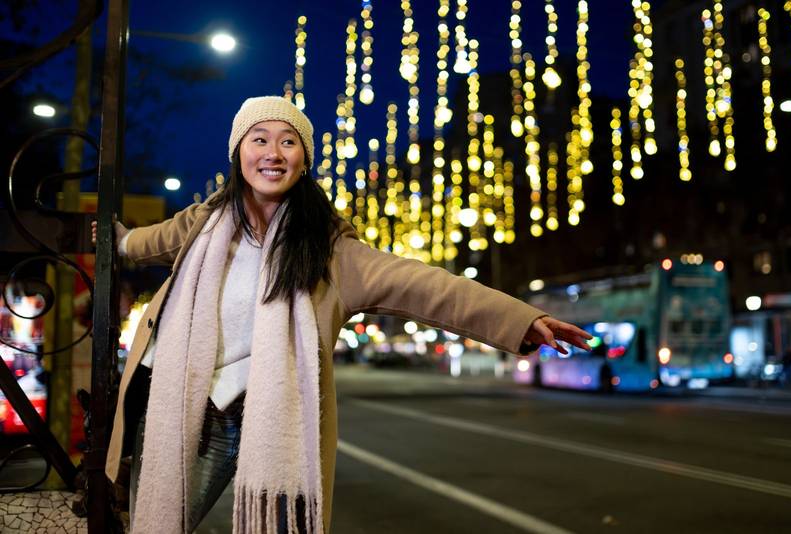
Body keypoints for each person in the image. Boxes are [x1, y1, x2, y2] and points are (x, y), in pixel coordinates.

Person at [95, 96, 592, 534]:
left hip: (272, 416)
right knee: (157, 523)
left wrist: (520, 320)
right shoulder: (202, 225)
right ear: (237, 152)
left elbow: (424, 286)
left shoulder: (330, 250)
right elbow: (144, 243)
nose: (273, 152)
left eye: (288, 142)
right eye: (260, 138)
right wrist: (114, 242)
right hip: (181, 402)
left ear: (304, 159)